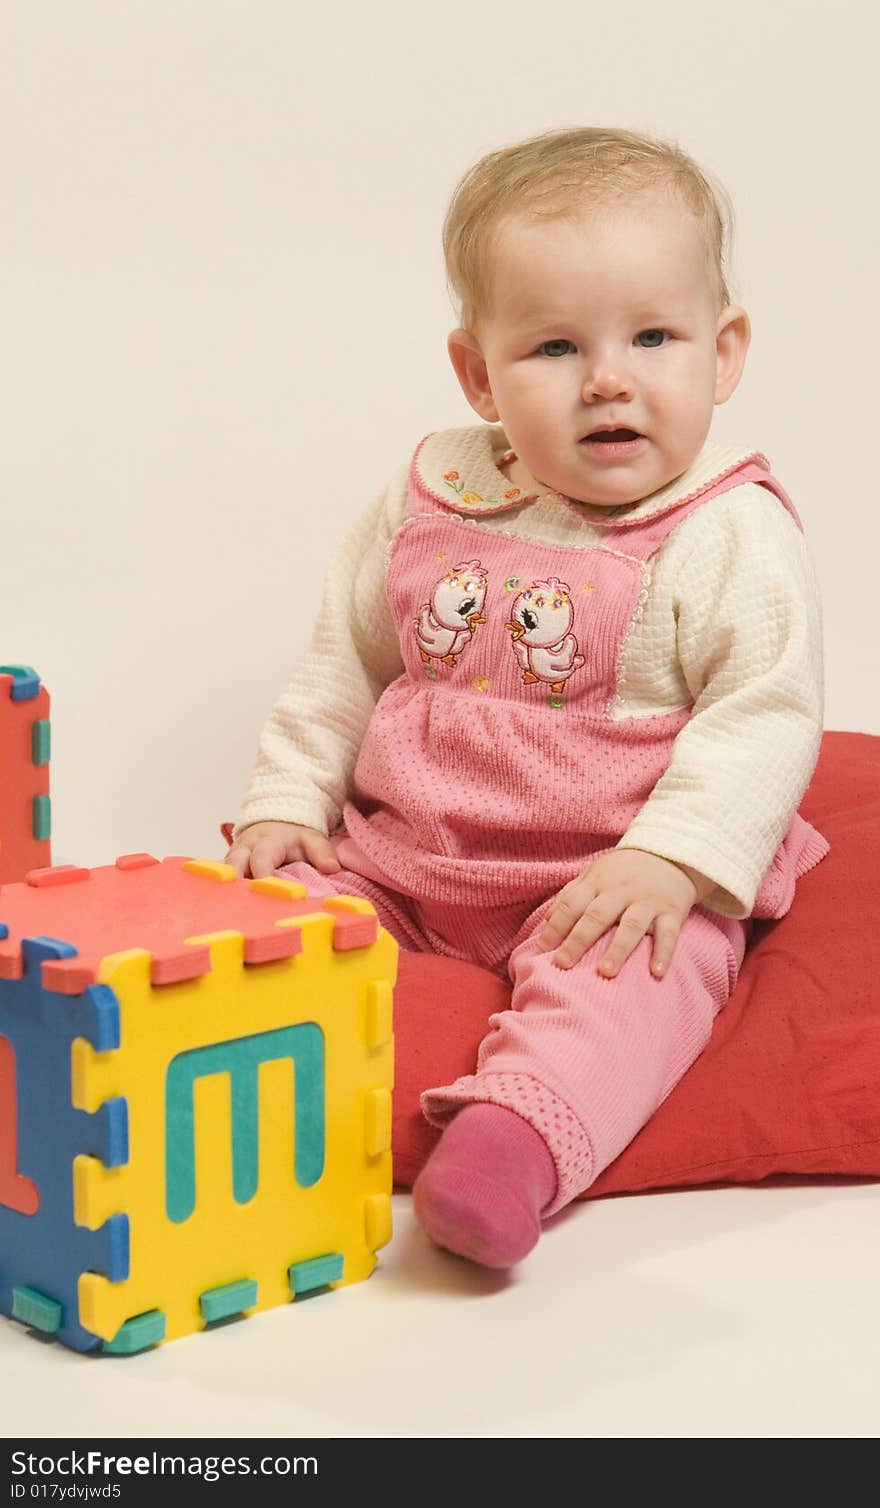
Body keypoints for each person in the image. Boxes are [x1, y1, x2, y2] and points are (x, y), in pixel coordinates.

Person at [224, 126, 829, 1269]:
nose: (608, 376)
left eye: (654, 335)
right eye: (554, 345)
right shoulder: (432, 496)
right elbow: (344, 661)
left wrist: (674, 856)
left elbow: (766, 712)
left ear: (724, 348)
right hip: (405, 857)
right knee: (272, 926)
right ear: (478, 374)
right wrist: (285, 802)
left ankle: (516, 1139)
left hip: (603, 876)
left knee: (645, 982)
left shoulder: (725, 529)